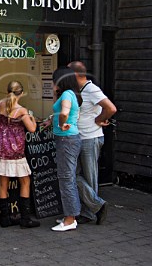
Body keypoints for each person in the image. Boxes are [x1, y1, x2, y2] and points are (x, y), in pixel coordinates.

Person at [0, 81, 40, 228]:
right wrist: (32, 119)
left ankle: (5, 218)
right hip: (15, 149)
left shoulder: (0, 104)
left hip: (1, 147)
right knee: (25, 181)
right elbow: (32, 129)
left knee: (2, 183)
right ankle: (25, 218)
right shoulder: (21, 110)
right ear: (22, 93)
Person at [68, 61, 117, 225]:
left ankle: (90, 211)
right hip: (78, 137)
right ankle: (96, 206)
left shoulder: (92, 89)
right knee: (73, 174)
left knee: (90, 176)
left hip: (90, 137)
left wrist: (99, 119)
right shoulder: (78, 90)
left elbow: (111, 108)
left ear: (75, 74)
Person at [49, 67, 83, 231]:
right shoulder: (69, 93)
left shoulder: (67, 94)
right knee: (67, 177)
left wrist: (61, 123)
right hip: (68, 139)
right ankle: (70, 215)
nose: (52, 82)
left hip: (67, 139)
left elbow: (64, 112)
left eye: (54, 79)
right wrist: (52, 121)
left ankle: (70, 220)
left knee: (66, 178)